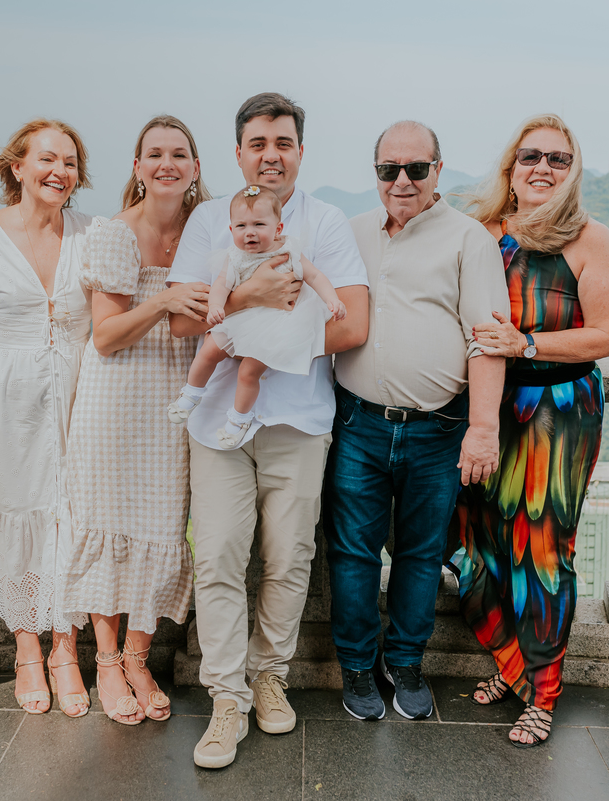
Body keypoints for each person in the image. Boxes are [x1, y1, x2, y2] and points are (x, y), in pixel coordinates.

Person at [167, 92, 369, 769]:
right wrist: (253, 302)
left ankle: (269, 674)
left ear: (300, 151)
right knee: (220, 554)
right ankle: (227, 696)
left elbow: (354, 323)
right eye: (257, 143)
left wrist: (268, 339)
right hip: (218, 418)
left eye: (282, 142)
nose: (270, 154)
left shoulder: (327, 222)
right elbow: (181, 319)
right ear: (239, 153)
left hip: (301, 421)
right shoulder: (208, 221)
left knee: (289, 558)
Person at [452, 114, 609, 747]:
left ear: (572, 171)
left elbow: (608, 334)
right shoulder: (481, 233)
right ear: (511, 166)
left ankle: (543, 693)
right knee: (478, 539)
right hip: (484, 408)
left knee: (542, 549)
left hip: (558, 412)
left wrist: (527, 341)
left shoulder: (587, 237)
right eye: (532, 156)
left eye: (558, 159)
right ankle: (512, 662)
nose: (543, 168)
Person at [327, 121, 508, 722]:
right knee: (352, 551)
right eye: (388, 170)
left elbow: (486, 341)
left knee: (421, 553)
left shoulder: (468, 240)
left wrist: (483, 428)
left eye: (415, 169)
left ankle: (404, 662)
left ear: (438, 171)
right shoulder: (350, 234)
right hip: (358, 421)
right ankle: (356, 667)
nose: (401, 181)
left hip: (437, 429)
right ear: (375, 173)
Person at [62, 115, 212, 726]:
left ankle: (138, 656)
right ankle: (105, 662)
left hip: (174, 398)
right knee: (107, 521)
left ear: (196, 168)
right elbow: (105, 336)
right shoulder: (113, 234)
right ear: (137, 166)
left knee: (160, 522)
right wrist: (164, 300)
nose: (167, 163)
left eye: (179, 154)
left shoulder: (205, 233)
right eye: (155, 154)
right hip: (115, 396)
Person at [0, 119, 97, 717]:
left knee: (74, 512)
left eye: (69, 161)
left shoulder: (94, 234)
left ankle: (66, 648)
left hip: (79, 397)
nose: (59, 171)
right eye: (47, 159)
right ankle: (27, 650)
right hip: (4, 403)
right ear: (17, 166)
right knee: (13, 509)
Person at [168, 184, 346, 449]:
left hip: (274, 326)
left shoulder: (289, 252)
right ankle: (192, 392)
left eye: (259, 225)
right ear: (231, 231)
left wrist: (332, 299)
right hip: (240, 319)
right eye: (241, 226)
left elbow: (315, 276)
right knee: (208, 350)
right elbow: (220, 285)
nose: (249, 232)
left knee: (248, 373)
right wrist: (216, 306)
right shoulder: (235, 256)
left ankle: (239, 419)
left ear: (278, 229)